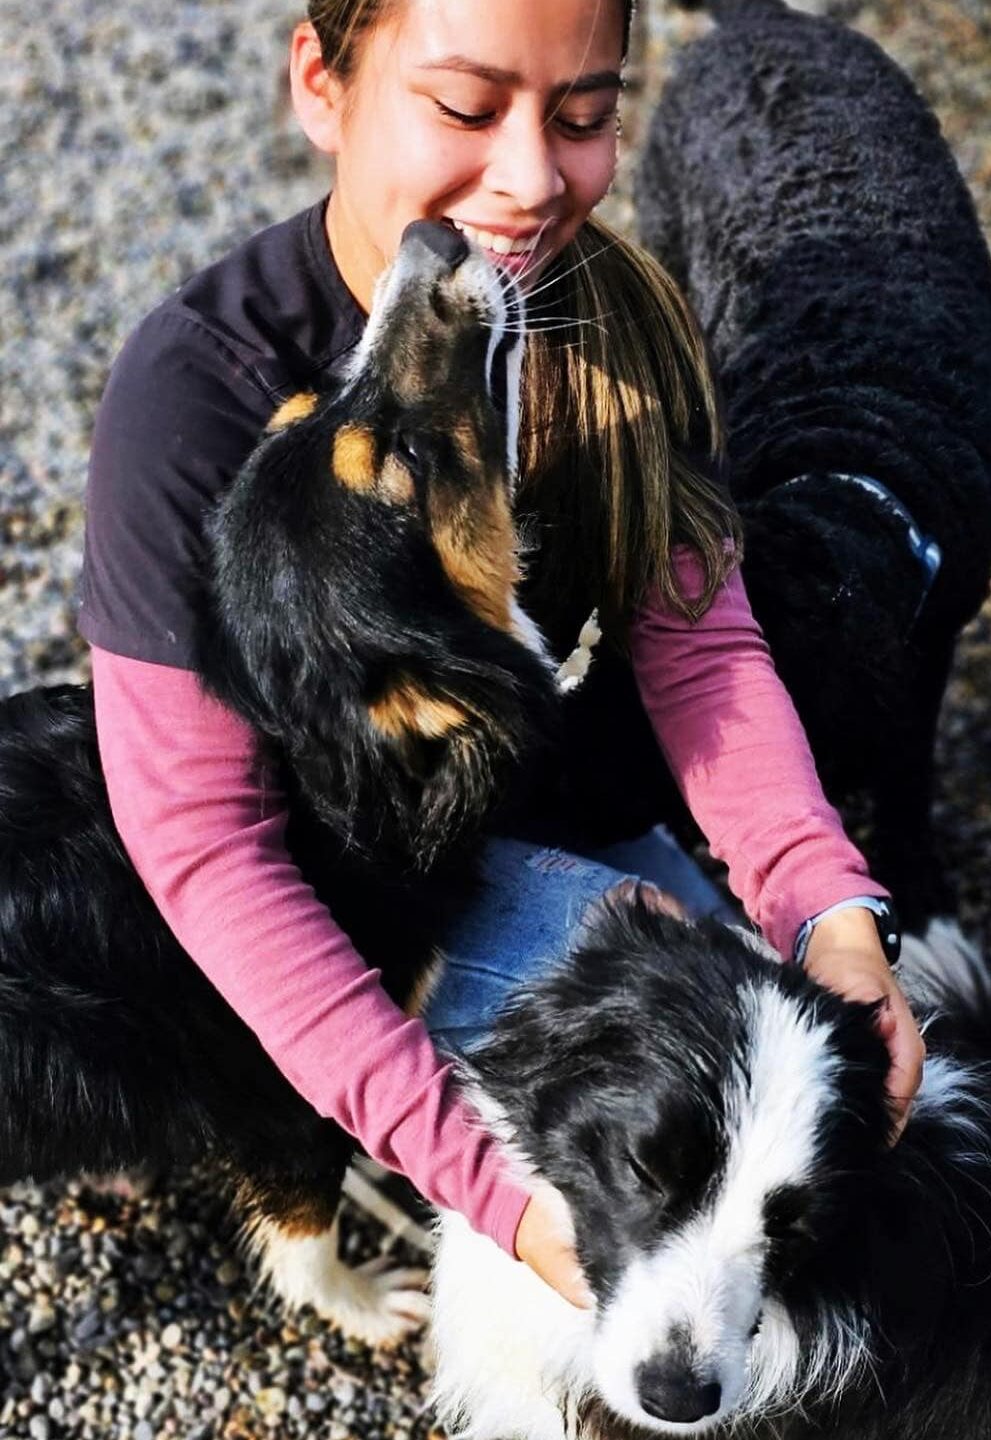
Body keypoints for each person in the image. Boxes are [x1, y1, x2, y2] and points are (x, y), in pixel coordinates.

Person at [79, 0, 924, 1309]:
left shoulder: (624, 328)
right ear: (324, 83)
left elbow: (701, 657)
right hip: (338, 887)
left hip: (505, 781)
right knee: (669, 1115)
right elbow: (208, 850)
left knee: (775, 1072)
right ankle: (352, 1128)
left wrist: (829, 908)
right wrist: (483, 1178)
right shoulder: (187, 396)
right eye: (467, 110)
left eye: (585, 116)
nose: (535, 180)